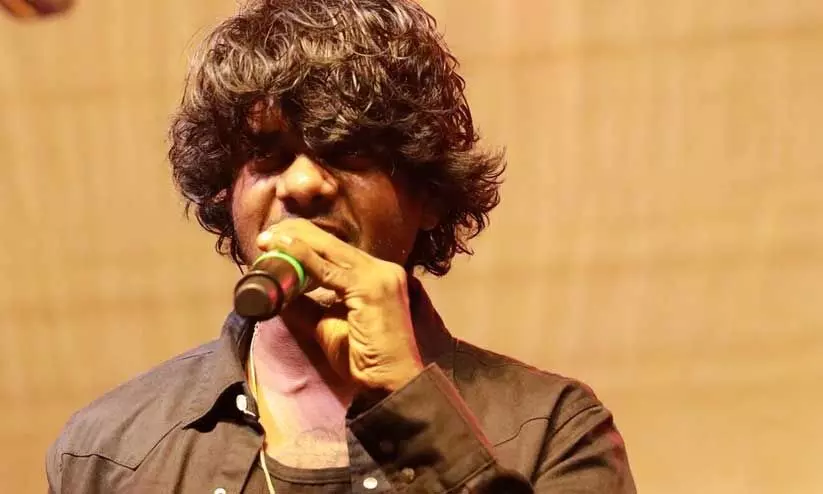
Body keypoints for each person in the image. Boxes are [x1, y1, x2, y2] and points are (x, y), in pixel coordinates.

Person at [46, 0, 636, 492]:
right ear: (226, 194)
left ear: (429, 196)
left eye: (348, 149)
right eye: (266, 154)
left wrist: (411, 401)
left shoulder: (551, 431)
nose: (303, 183)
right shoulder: (109, 452)